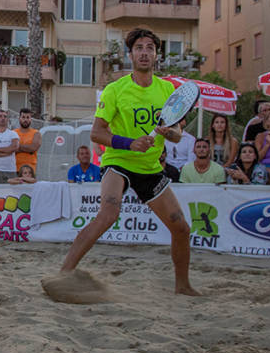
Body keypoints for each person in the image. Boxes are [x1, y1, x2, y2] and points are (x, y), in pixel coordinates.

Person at [42, 28, 198, 300]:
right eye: (139, 47)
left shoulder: (166, 89)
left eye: (150, 47)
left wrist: (168, 133)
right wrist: (129, 143)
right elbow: (96, 133)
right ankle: (63, 274)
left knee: (181, 227)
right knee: (108, 214)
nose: (145, 52)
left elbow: (177, 133)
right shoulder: (115, 90)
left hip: (150, 168)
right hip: (119, 162)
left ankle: (182, 286)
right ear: (131, 54)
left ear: (156, 55)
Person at [14, 108, 42, 176]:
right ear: (19, 118)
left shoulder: (36, 133)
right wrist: (28, 149)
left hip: (30, 170)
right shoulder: (13, 133)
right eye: (23, 117)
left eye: (28, 117)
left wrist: (18, 147)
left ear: (31, 119)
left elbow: (33, 148)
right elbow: (11, 149)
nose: (25, 120)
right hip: (15, 169)